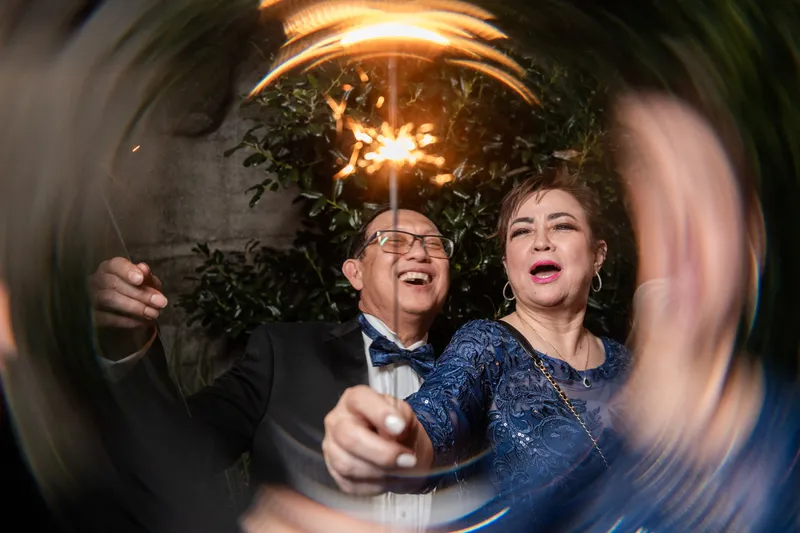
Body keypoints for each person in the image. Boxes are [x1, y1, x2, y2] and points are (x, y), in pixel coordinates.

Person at [91, 206, 461, 531]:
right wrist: (128, 345)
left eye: (435, 244)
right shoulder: (284, 353)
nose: (420, 252)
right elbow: (175, 452)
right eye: (395, 241)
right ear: (355, 273)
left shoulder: (478, 367)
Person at [322, 169, 632, 530]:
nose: (541, 242)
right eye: (522, 231)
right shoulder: (485, 345)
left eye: (562, 226)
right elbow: (430, 425)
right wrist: (392, 438)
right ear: (507, 265)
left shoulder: (626, 364)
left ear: (597, 255)